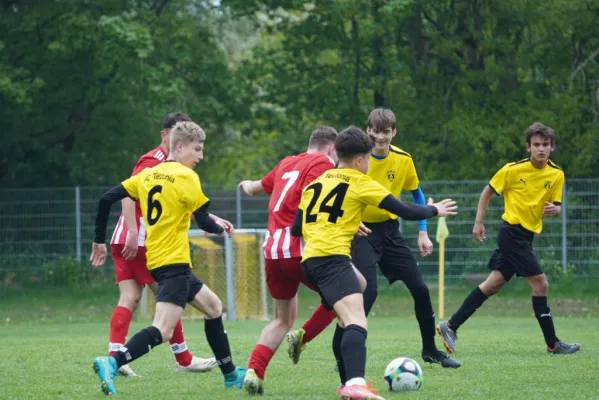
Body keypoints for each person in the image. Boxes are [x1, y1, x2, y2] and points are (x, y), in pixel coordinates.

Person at [290, 126, 458, 399]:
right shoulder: (359, 181)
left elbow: (297, 227)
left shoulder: (316, 183)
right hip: (332, 260)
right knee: (357, 320)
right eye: (368, 158)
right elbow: (402, 210)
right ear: (359, 160)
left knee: (361, 285)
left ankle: (347, 384)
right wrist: (434, 210)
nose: (369, 162)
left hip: (310, 261)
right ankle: (355, 382)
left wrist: (348, 222)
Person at [89, 121, 246, 396]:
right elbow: (205, 221)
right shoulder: (187, 177)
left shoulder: (149, 175)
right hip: (173, 262)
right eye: (197, 149)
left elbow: (106, 199)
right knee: (162, 329)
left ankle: (231, 374)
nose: (201, 156)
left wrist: (98, 238)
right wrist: (222, 228)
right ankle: (112, 362)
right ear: (180, 146)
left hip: (161, 260)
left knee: (213, 306)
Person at [437, 122, 581, 356]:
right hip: (511, 234)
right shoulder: (512, 170)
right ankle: (553, 343)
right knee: (541, 283)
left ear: (552, 147)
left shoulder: (556, 174)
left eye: (545, 144)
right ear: (528, 147)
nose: (541, 149)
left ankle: (450, 326)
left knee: (492, 284)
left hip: (527, 235)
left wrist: (556, 210)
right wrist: (478, 221)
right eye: (536, 145)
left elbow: (555, 205)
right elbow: (488, 191)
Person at [103, 112, 220, 377]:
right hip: (140, 239)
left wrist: (210, 217)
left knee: (133, 296)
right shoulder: (153, 161)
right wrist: (133, 231)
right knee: (170, 294)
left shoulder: (175, 168)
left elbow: (174, 204)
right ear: (166, 135)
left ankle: (114, 356)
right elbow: (127, 195)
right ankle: (182, 358)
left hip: (134, 237)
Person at [237, 127, 341, 395]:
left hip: (273, 250)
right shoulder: (323, 164)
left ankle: (253, 372)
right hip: (300, 248)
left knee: (282, 319)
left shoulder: (286, 163)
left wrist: (245, 184)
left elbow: (255, 188)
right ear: (332, 149)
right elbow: (316, 203)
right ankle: (303, 337)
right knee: (347, 294)